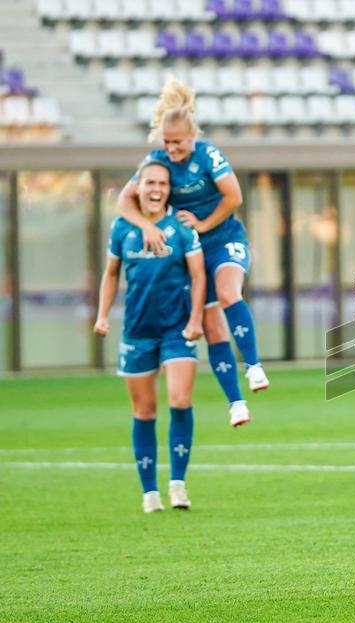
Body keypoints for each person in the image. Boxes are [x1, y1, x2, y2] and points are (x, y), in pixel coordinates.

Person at [117, 77, 266, 429]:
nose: (172, 148)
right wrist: (147, 226)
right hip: (193, 251)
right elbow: (125, 201)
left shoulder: (208, 155)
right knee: (213, 329)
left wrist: (203, 223)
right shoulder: (157, 161)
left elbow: (234, 197)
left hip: (224, 238)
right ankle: (236, 403)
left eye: (178, 142)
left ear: (192, 136)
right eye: (167, 142)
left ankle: (254, 366)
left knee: (229, 293)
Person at [94, 159, 206, 513]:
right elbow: (111, 274)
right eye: (150, 183)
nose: (156, 189)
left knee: (180, 400)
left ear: (169, 190)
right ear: (138, 188)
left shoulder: (182, 227)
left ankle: (178, 485)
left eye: (162, 184)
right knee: (144, 410)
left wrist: (195, 319)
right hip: (137, 331)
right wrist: (102, 315)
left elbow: (198, 275)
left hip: (177, 329)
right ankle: (149, 493)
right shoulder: (121, 228)